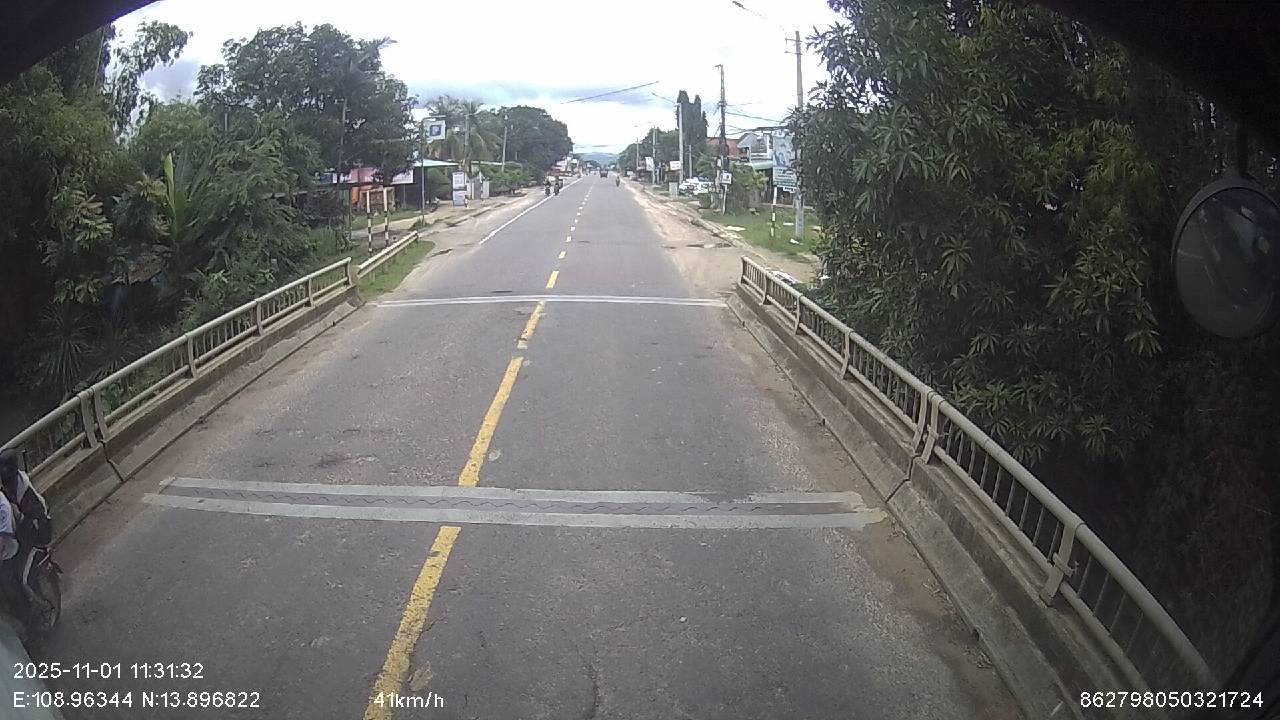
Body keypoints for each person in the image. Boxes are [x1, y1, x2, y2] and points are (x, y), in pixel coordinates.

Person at [0, 450, 51, 616]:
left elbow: (33, 521)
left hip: (38, 530)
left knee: (22, 577)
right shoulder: (10, 488)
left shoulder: (26, 493)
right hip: (24, 528)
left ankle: (33, 611)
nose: (6, 484)